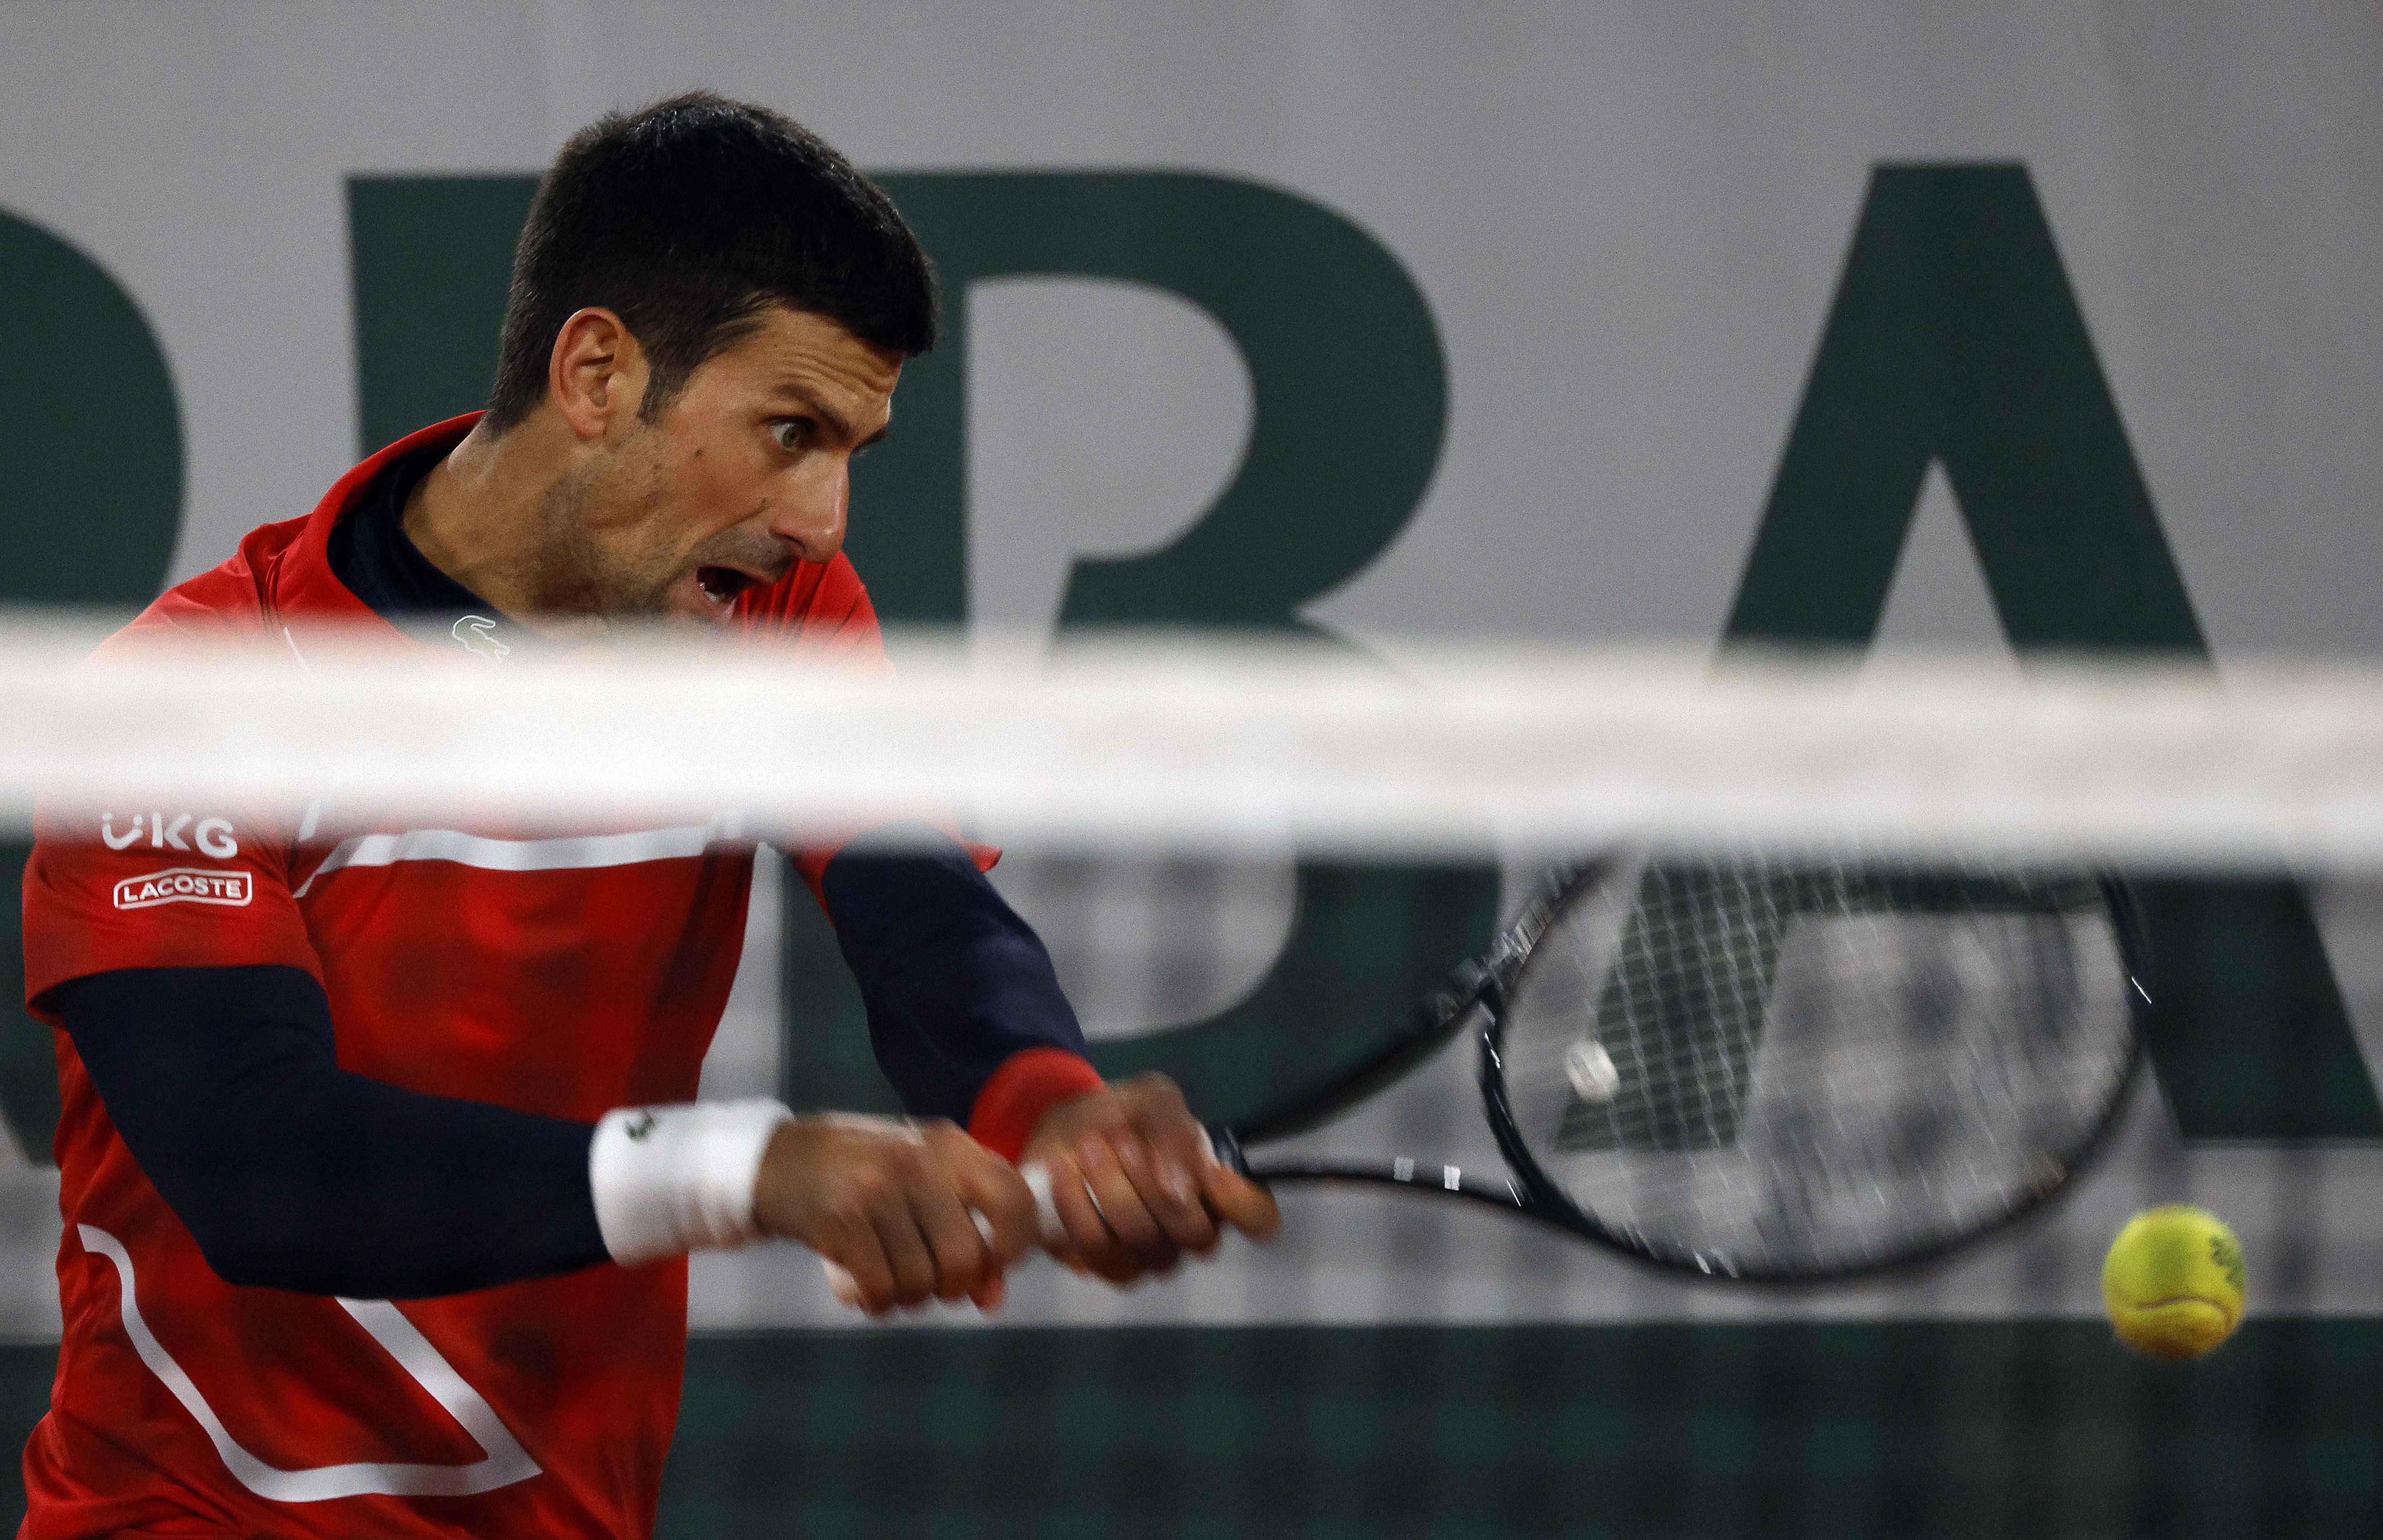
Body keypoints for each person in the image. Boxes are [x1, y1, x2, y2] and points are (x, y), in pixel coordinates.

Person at [16, 92, 1277, 1540]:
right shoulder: (198, 691)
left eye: (852, 450)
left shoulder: (775, 615)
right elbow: (262, 1167)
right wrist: (753, 1170)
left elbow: (921, 911)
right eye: (790, 431)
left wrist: (1048, 1106)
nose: (823, 521)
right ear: (600, 373)